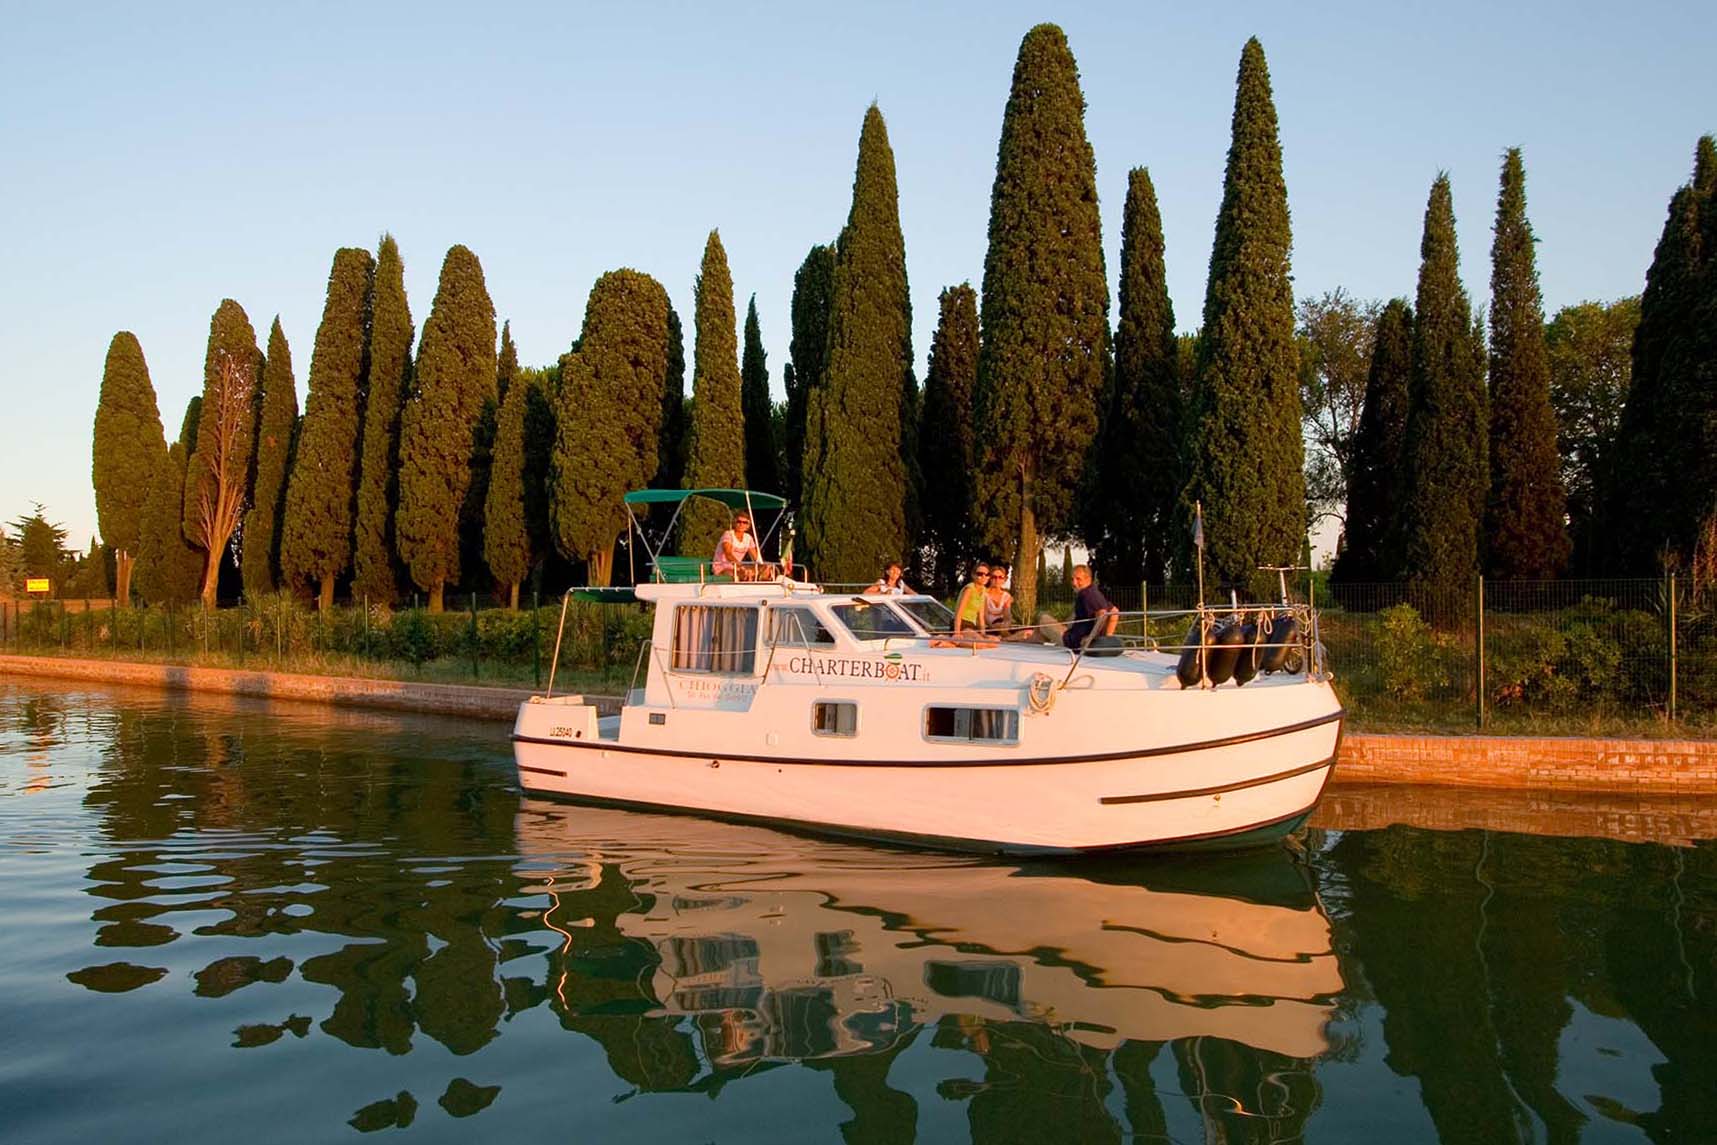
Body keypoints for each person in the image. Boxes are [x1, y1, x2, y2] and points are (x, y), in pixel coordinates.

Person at [1038, 564, 1119, 650]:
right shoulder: (1095, 592)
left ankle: (1028, 638)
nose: (1074, 583)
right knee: (1072, 616)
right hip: (1075, 637)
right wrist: (1106, 638)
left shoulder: (1087, 594)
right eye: (1072, 579)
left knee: (1043, 618)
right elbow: (1114, 611)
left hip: (1072, 641)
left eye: (1078, 579)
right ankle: (1028, 637)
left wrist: (1091, 638)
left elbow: (1102, 614)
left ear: (1088, 579)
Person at [712, 513, 775, 581]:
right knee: (744, 573)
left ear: (748, 525)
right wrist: (741, 566)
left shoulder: (748, 538)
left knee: (767, 568)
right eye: (739, 522)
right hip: (723, 567)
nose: (741, 524)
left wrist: (762, 567)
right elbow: (728, 554)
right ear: (734, 523)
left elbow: (755, 558)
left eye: (745, 522)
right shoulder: (728, 535)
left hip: (738, 567)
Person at [982, 564, 1034, 640]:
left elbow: (1007, 616)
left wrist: (1006, 625)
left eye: (1000, 577)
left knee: (1029, 632)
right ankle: (1010, 638)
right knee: (1021, 634)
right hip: (989, 627)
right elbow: (985, 616)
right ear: (990, 578)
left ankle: (1005, 638)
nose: (997, 580)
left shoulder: (1006, 596)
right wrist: (993, 626)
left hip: (1002, 626)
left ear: (1004, 579)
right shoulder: (984, 594)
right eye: (994, 577)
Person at [953, 562, 989, 637]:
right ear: (973, 575)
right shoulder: (969, 589)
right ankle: (946, 641)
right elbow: (958, 613)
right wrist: (957, 633)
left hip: (972, 625)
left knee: (994, 640)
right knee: (980, 642)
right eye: (980, 574)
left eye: (987, 574)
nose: (984, 576)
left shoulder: (984, 590)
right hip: (962, 624)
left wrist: (983, 633)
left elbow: (980, 616)